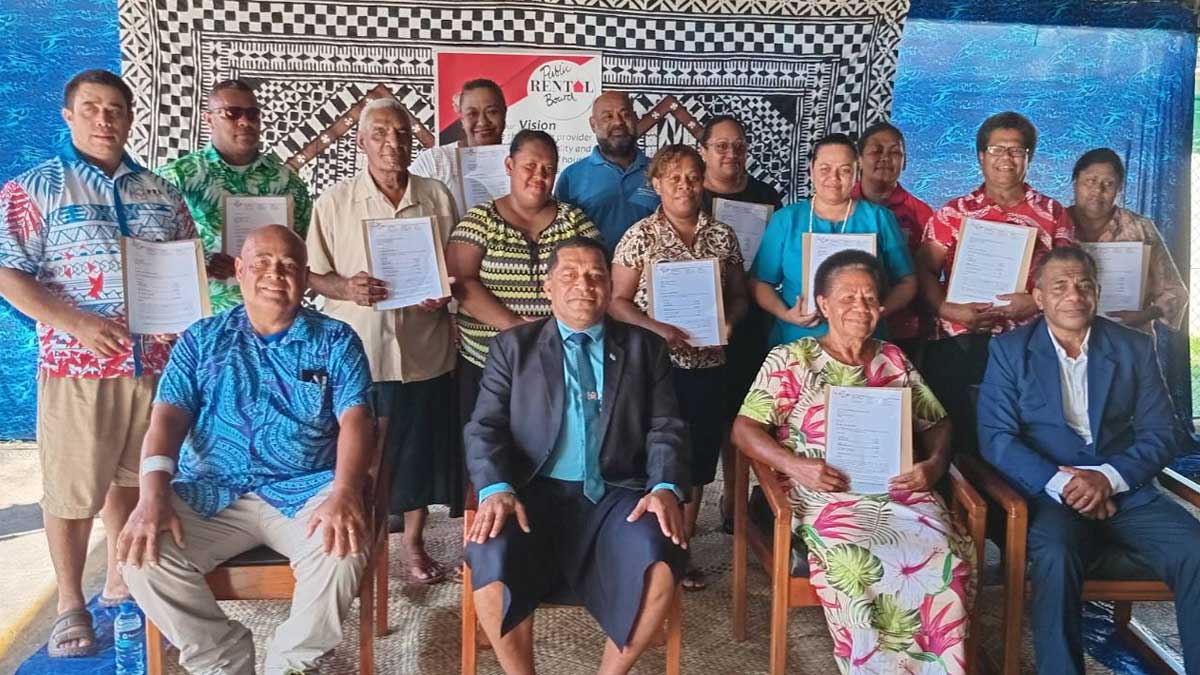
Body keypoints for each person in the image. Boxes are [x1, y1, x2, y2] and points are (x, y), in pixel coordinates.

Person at [118, 225, 375, 675]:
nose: (275, 274)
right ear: (239, 271)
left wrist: (345, 492)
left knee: (342, 549)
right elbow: (167, 420)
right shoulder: (201, 339)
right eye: (262, 263)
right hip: (211, 491)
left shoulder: (336, 340)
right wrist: (151, 496)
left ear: (305, 277)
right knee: (142, 555)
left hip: (304, 491)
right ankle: (223, 660)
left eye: (289, 265)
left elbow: (356, 419)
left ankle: (290, 664)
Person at [0, 69, 195, 658]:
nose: (104, 119)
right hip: (78, 368)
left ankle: (121, 582)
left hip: (155, 365)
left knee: (136, 478)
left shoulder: (160, 191)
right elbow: (7, 273)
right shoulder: (35, 189)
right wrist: (77, 323)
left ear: (131, 117)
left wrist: (183, 312)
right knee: (71, 490)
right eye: (91, 108)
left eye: (115, 109)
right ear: (69, 115)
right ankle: (69, 604)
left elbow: (182, 264)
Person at [733, 250, 975, 675]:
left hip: (899, 490)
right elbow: (744, 429)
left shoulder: (892, 358)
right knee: (855, 560)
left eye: (869, 298)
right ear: (823, 304)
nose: (860, 307)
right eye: (847, 298)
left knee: (946, 554)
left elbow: (937, 421)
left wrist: (935, 464)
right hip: (827, 494)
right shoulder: (792, 360)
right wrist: (794, 465)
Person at [464, 236, 689, 675]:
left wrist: (664, 486)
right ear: (547, 287)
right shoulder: (514, 347)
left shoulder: (645, 348)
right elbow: (484, 427)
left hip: (617, 495)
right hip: (531, 493)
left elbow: (667, 426)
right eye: (569, 275)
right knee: (488, 548)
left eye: (595, 276)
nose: (583, 285)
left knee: (661, 553)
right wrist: (495, 488)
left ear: (610, 286)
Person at [976, 246, 1200, 675]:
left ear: (1097, 292)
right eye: (1059, 286)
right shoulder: (1010, 350)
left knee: (1195, 549)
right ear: (1039, 297)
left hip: (1126, 489)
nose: (1073, 296)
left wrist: (1107, 479)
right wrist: (1066, 485)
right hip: (1049, 493)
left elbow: (1162, 432)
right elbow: (997, 438)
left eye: (1084, 285)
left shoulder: (1134, 346)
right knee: (1055, 556)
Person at [306, 97, 460, 584]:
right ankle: (358, 546)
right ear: (361, 142)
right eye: (379, 134)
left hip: (423, 350)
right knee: (361, 457)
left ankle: (413, 543)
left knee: (416, 454)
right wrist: (345, 287)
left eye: (401, 133)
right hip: (362, 352)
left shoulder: (436, 195)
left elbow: (454, 266)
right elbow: (312, 273)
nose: (392, 143)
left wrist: (443, 292)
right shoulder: (334, 202)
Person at [610, 144, 747, 590]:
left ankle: (681, 549)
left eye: (692, 177)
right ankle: (648, 546)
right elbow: (616, 302)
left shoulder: (722, 236)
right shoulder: (639, 236)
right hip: (655, 368)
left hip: (708, 364)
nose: (684, 186)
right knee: (653, 453)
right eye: (674, 178)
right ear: (656, 185)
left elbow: (739, 295)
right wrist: (657, 328)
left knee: (699, 458)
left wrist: (730, 321)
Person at [916, 111, 1074, 454]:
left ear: (1029, 157)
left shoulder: (1053, 213)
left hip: (1027, 341)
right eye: (996, 150)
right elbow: (924, 270)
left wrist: (1034, 301)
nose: (1006, 158)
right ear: (980, 156)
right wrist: (949, 309)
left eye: (1016, 151)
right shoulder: (953, 213)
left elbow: (1067, 277)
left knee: (1020, 435)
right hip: (959, 337)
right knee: (959, 436)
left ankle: (1022, 485)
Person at [446, 129, 600, 427]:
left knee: (550, 444)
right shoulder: (481, 219)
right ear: (509, 166)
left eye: (548, 169)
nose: (539, 176)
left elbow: (597, 279)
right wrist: (515, 326)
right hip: (486, 363)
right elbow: (461, 281)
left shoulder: (574, 221)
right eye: (530, 166)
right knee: (486, 445)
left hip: (557, 362)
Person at [697, 114, 785, 535]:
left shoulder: (767, 197)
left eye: (738, 146)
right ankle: (687, 514)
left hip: (748, 320)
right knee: (699, 420)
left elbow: (778, 259)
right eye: (721, 146)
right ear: (703, 152)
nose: (731, 153)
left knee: (742, 413)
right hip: (694, 323)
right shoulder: (688, 193)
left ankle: (734, 505)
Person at [156, 78, 312, 315]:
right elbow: (150, 249)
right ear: (209, 119)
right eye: (232, 113)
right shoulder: (176, 178)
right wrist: (202, 261)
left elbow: (303, 250)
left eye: (252, 114)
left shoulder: (289, 184)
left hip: (271, 317)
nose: (244, 122)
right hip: (200, 318)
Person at [751, 133, 916, 347]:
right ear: (811, 170)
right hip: (799, 340)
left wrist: (876, 312)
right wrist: (786, 314)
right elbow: (760, 282)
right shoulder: (786, 220)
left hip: (865, 342)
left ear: (857, 173)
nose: (834, 178)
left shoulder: (879, 218)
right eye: (825, 169)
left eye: (844, 170)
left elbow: (907, 282)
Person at [1069, 147, 1187, 334]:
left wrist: (1146, 315)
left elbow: (1175, 291)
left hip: (1128, 336)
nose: (1098, 190)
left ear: (1120, 189)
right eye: (1090, 181)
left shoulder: (1141, 229)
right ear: (1075, 182)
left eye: (1108, 184)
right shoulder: (1055, 225)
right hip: (1066, 337)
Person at [852, 121, 934, 361]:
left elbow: (927, 273)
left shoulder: (922, 213)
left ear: (905, 162)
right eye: (876, 151)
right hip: (844, 324)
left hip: (902, 328)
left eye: (895, 152)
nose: (885, 158)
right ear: (859, 159)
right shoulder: (840, 205)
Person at [554, 91, 659, 255]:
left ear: (635, 119)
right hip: (594, 269)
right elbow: (560, 236)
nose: (618, 122)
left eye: (625, 115)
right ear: (593, 124)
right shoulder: (572, 177)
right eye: (608, 117)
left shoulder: (660, 171)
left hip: (652, 268)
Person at [410, 78, 507, 215]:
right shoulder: (434, 162)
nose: (482, 122)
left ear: (504, 112)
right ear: (461, 118)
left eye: (492, 112)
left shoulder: (521, 160)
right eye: (472, 114)